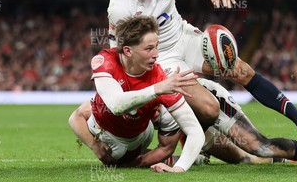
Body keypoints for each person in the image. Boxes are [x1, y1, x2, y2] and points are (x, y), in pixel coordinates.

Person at [107, 0, 297, 139]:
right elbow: (117, 51)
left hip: (185, 38)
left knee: (241, 71)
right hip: (161, 59)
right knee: (208, 108)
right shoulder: (120, 7)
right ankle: (189, 139)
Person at [71, 77, 297, 167]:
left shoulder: (161, 103)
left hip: (211, 103)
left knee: (259, 146)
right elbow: (79, 115)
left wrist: (130, 164)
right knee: (240, 160)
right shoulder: (117, 102)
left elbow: (164, 151)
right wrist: (97, 145)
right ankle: (284, 161)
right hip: (188, 118)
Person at [68, 15, 204, 172]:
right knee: (103, 104)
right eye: (148, 48)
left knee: (167, 112)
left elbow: (194, 130)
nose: (156, 54)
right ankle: (161, 158)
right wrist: (94, 145)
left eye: (157, 46)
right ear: (128, 51)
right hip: (115, 141)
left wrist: (179, 169)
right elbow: (117, 105)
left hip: (144, 130)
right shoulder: (105, 61)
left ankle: (175, 158)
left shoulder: (159, 77)